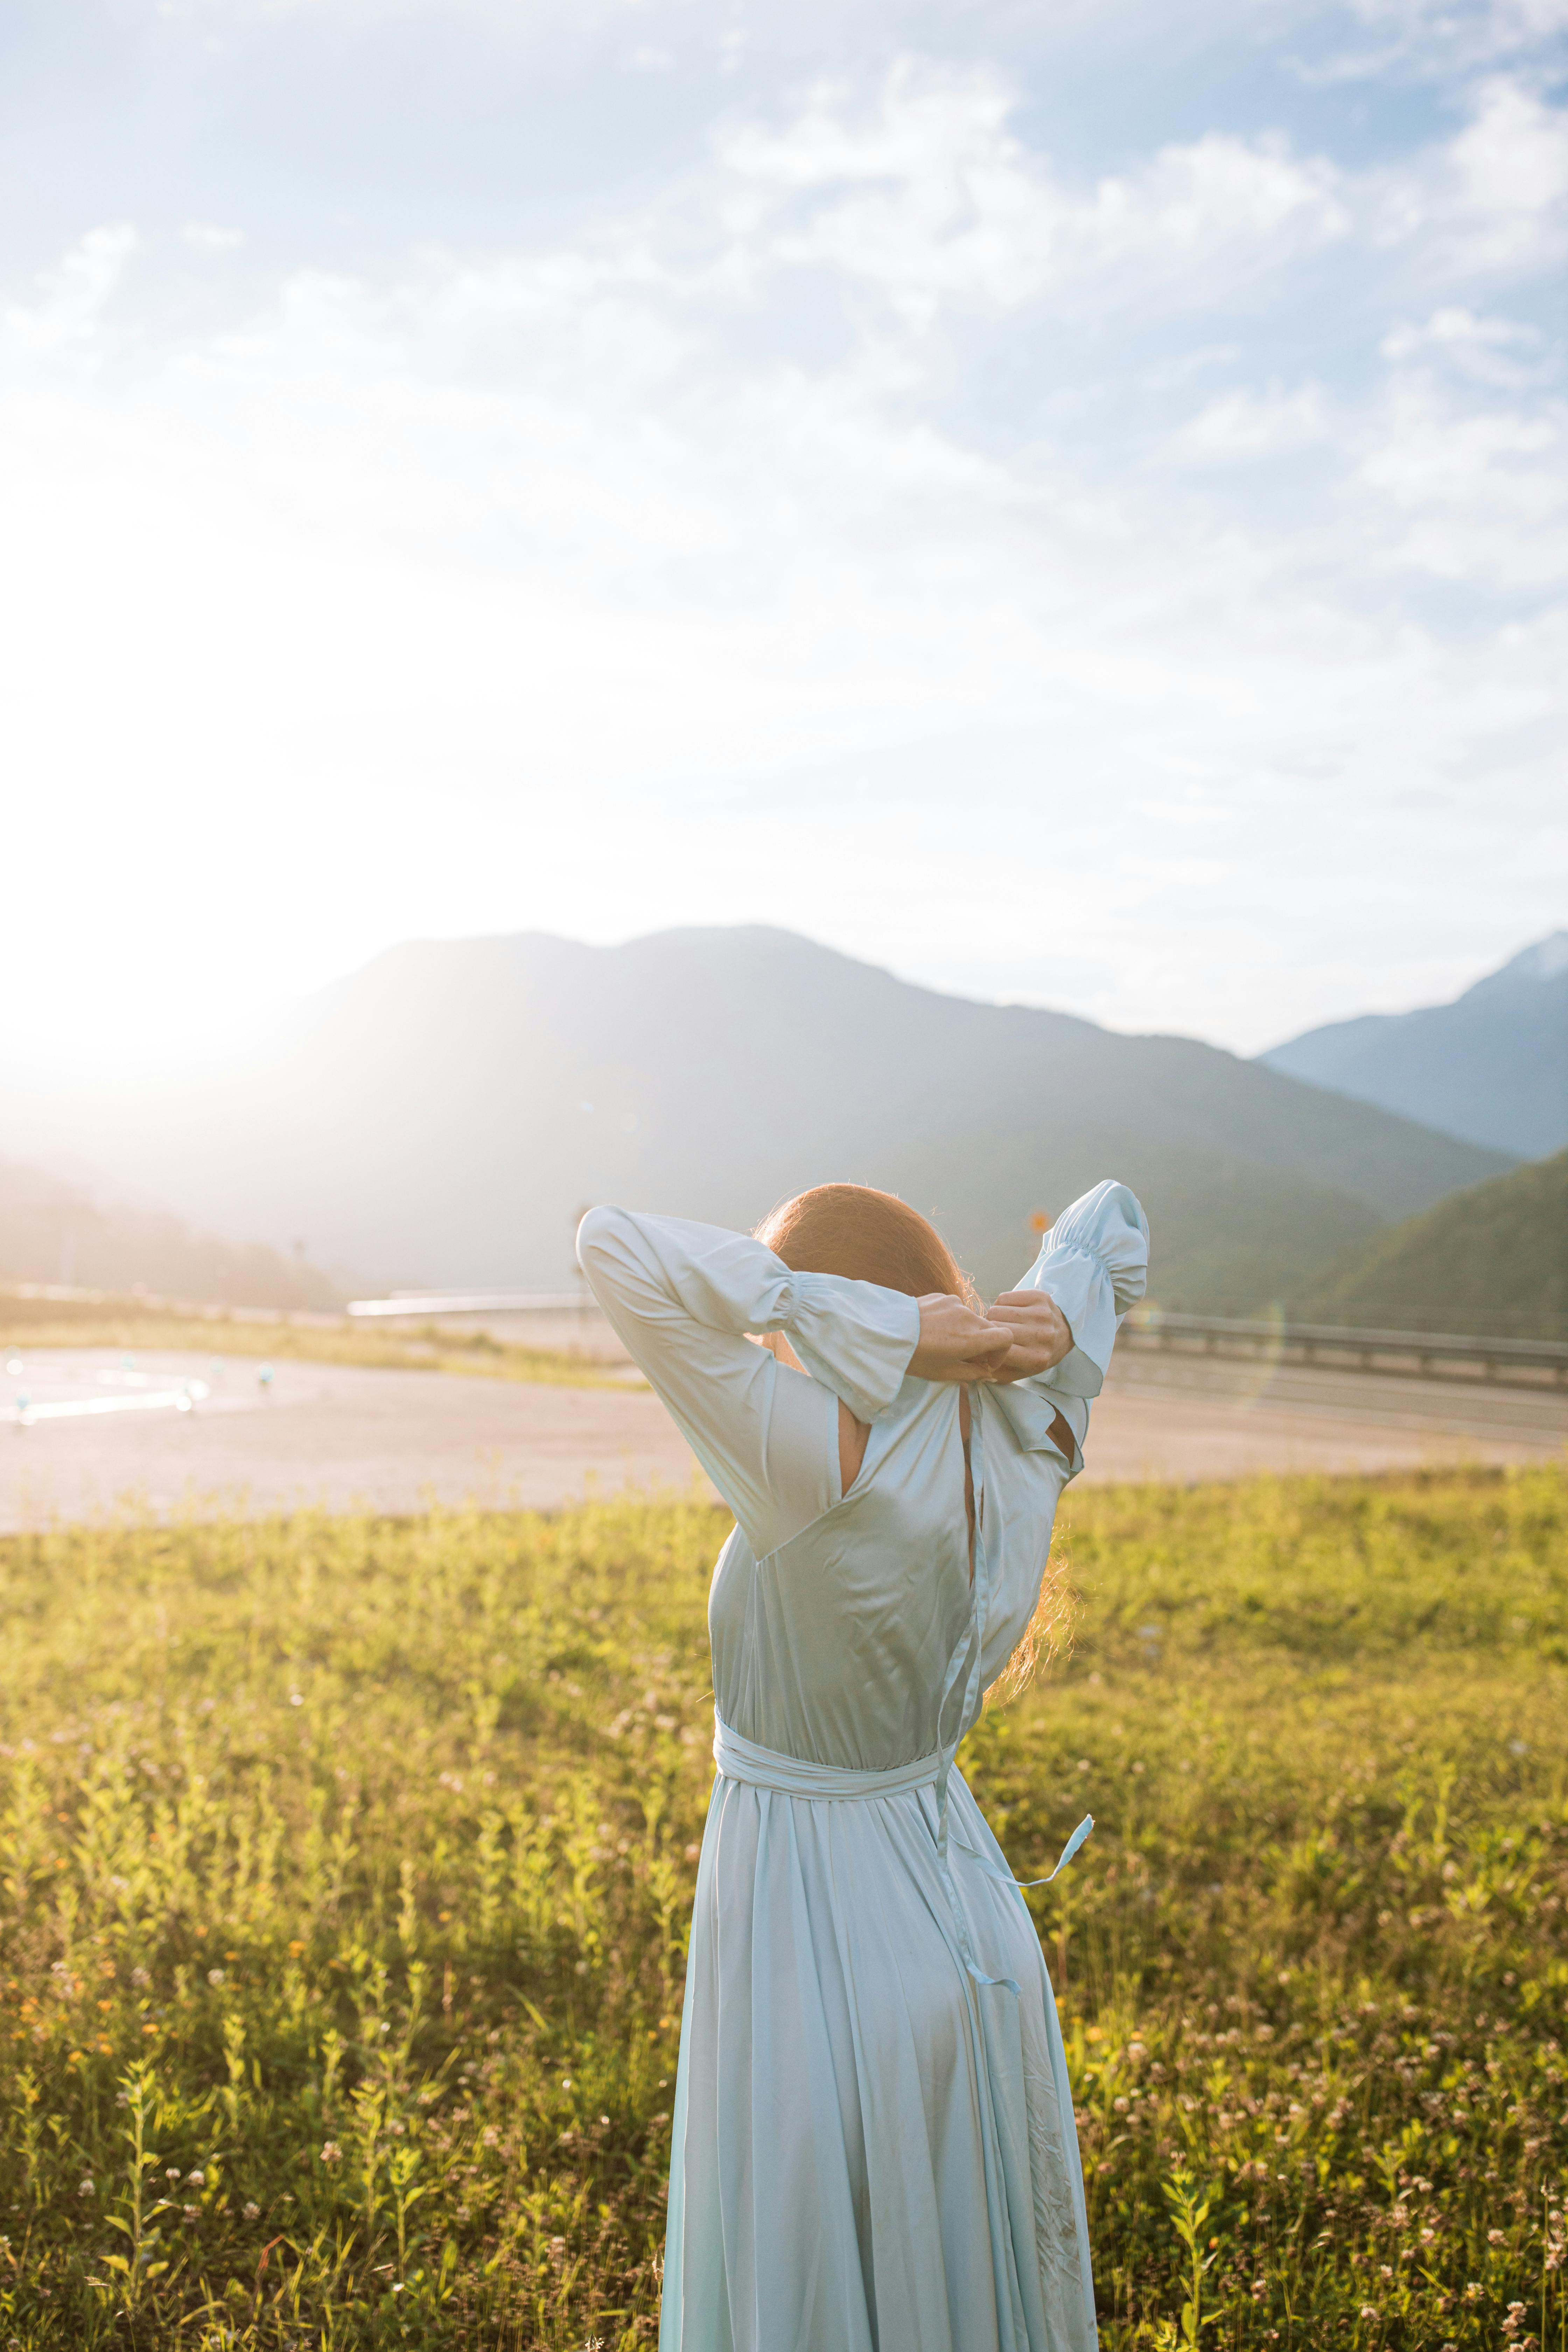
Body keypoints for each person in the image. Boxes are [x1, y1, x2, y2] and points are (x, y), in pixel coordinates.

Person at [577, 1176, 1150, 2352]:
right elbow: (1110, 1223)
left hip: (810, 1905)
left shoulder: (812, 1450)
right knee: (957, 2261)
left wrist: (852, 1320)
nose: (789, 1351)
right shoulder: (1037, 1419)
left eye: (797, 1330)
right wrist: (1017, 1322)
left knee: (814, 2249)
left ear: (842, 1312)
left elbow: (611, 1245)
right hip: (965, 1909)